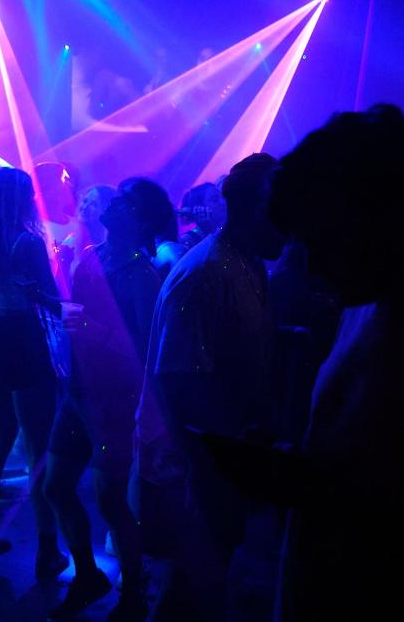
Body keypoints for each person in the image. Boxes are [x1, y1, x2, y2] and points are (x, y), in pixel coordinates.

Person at [199, 105, 404, 620]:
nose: (308, 263)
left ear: (375, 220)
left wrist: (317, 488)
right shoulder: (361, 310)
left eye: (319, 238)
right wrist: (298, 463)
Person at [132, 153, 285, 621]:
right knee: (189, 592)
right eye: (284, 210)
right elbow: (181, 384)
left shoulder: (248, 263)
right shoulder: (203, 275)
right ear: (256, 207)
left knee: (212, 582)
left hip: (223, 460)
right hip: (196, 465)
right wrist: (230, 459)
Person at [45, 178, 169, 621]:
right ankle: (87, 575)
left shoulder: (142, 275)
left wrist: (93, 332)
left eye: (126, 203)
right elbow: (78, 317)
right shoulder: (93, 257)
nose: (114, 204)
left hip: (112, 402)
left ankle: (135, 592)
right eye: (116, 200)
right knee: (54, 486)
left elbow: (147, 351)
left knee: (110, 499)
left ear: (140, 220)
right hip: (77, 392)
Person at [0, 167, 68, 581]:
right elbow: (51, 299)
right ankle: (48, 550)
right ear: (20, 200)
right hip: (24, 341)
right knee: (37, 449)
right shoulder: (27, 241)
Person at [178, 182, 225, 251]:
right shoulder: (190, 241)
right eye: (215, 200)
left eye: (222, 196)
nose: (223, 202)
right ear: (200, 209)